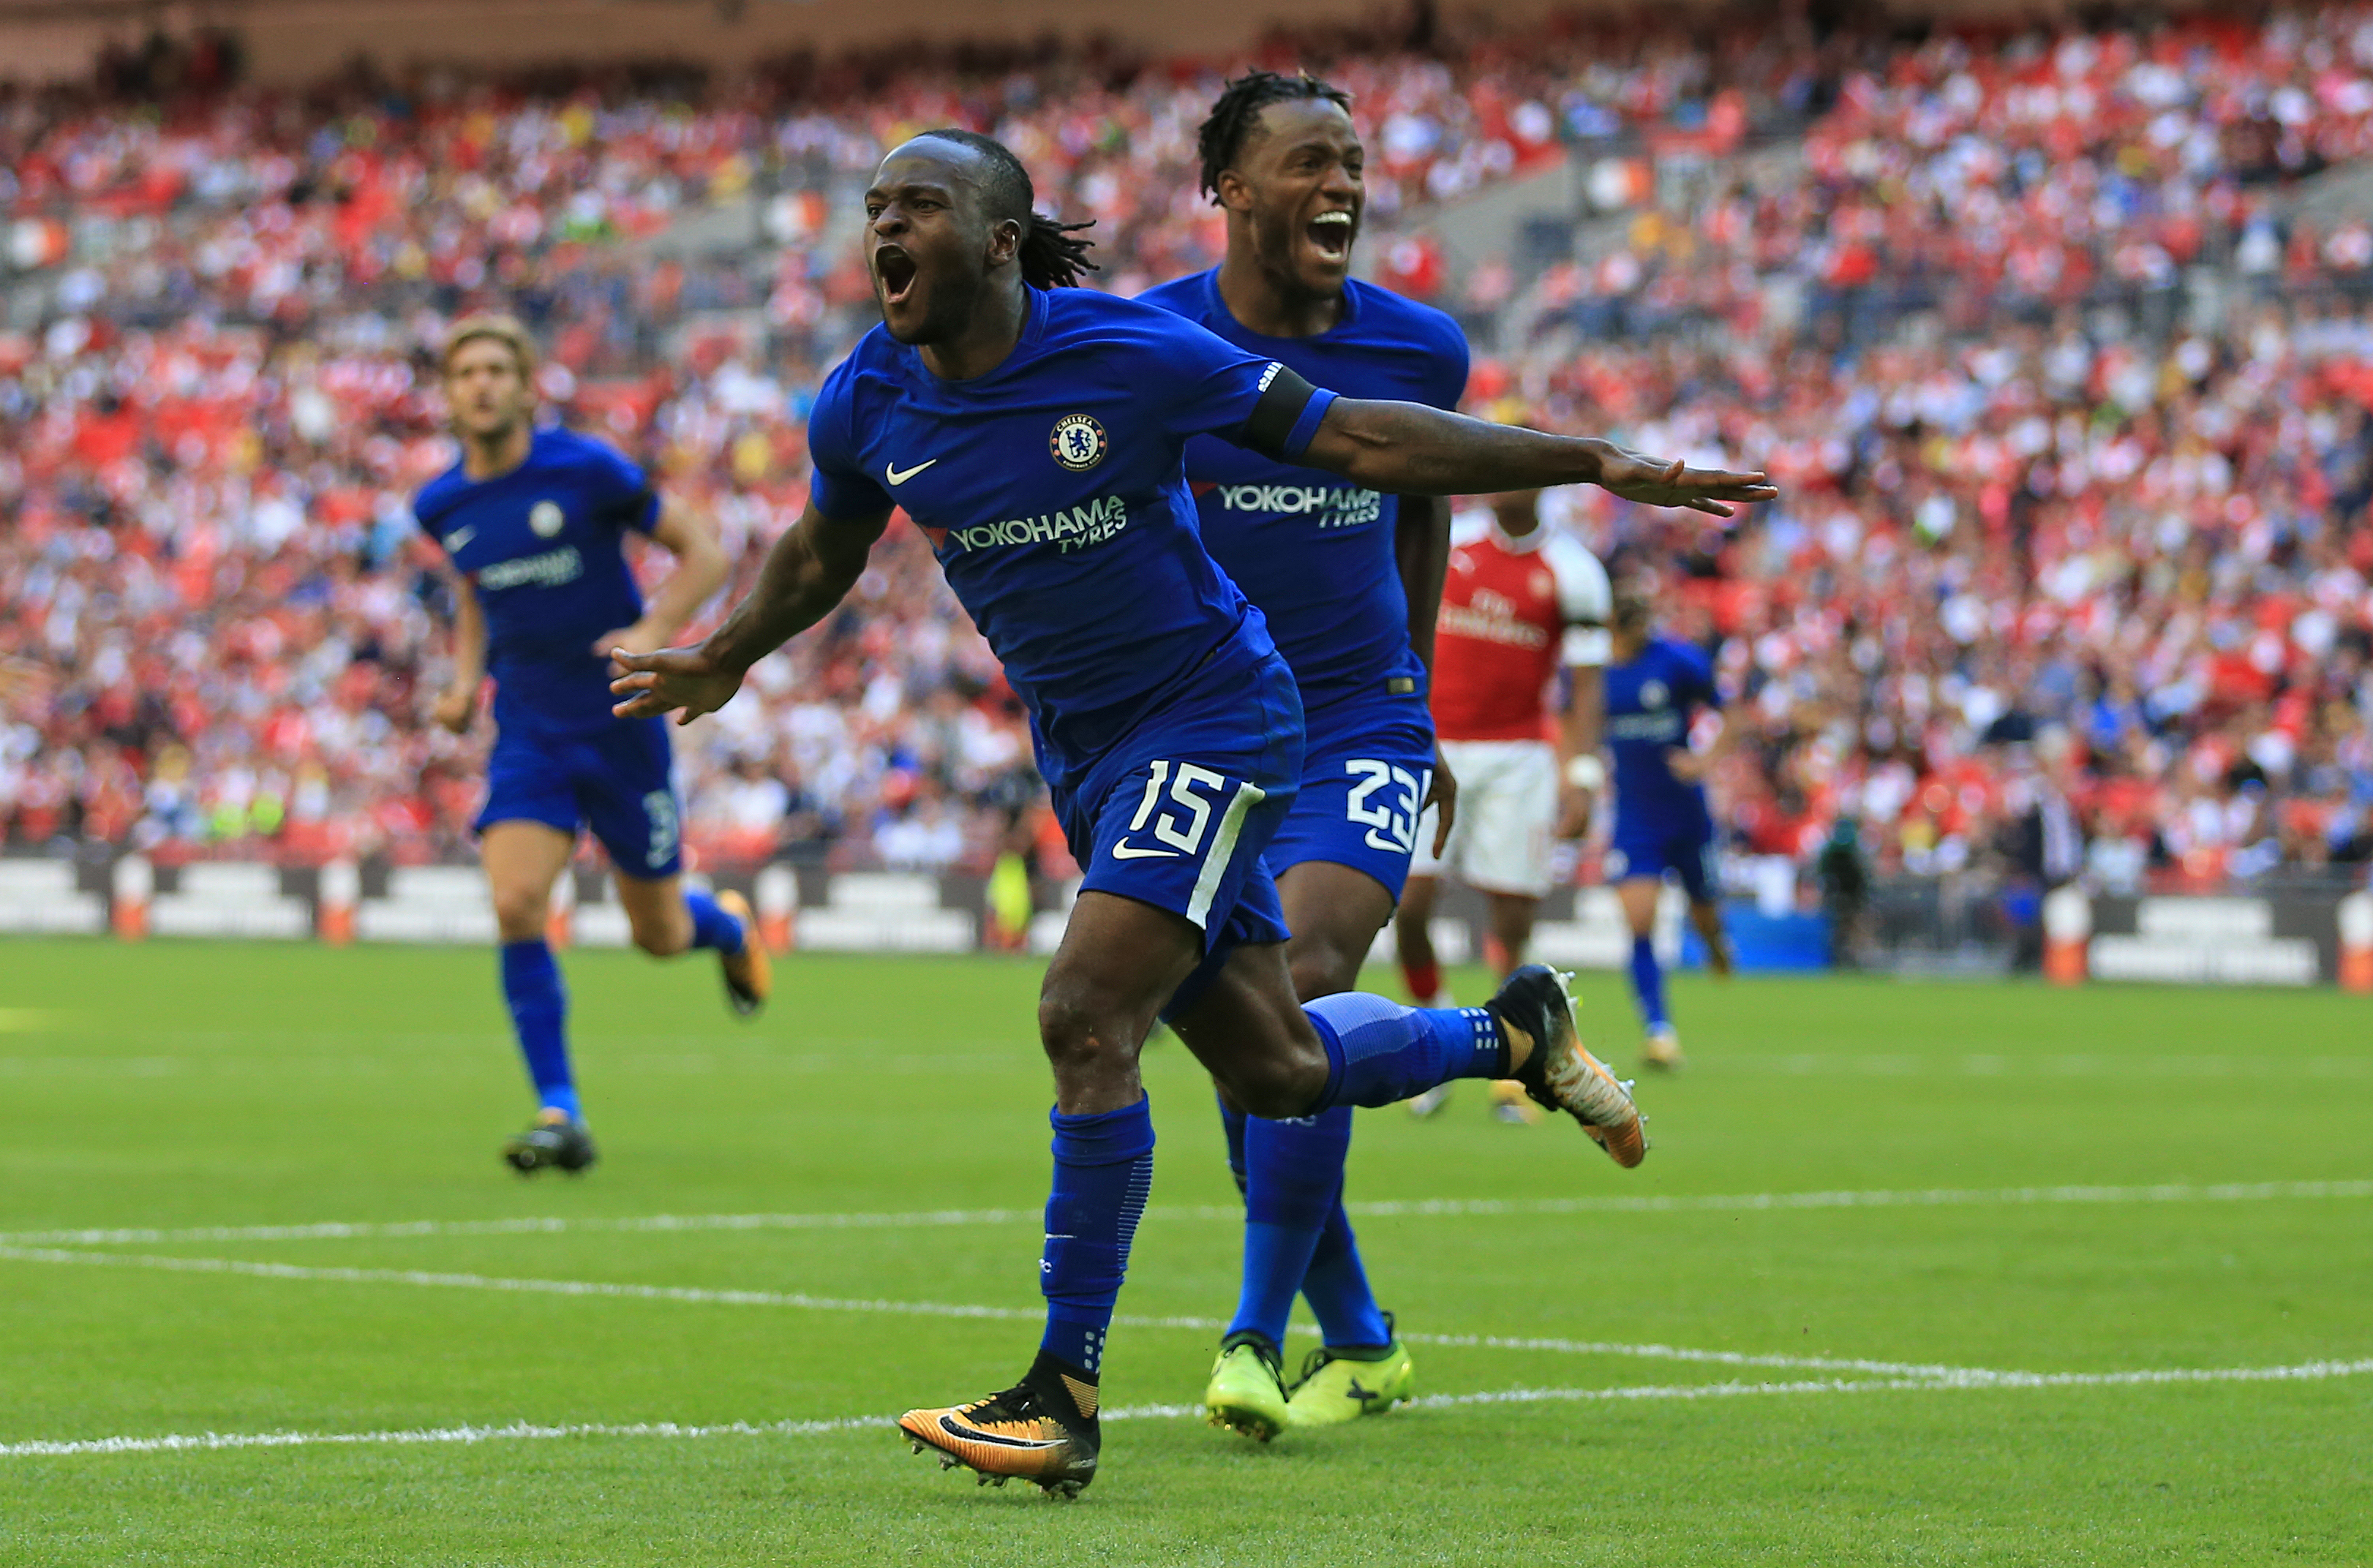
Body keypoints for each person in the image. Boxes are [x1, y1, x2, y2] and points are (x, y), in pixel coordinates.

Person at [610, 129, 1771, 1498]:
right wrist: (734, 650)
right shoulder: (865, 394)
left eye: (914, 206)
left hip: (1215, 716)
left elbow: (1354, 434)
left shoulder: (1125, 355)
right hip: (1091, 758)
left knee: (1082, 1011)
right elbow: (823, 543)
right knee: (1274, 1067)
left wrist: (1584, 459)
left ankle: (1061, 1393)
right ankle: (1511, 1031)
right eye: (871, 209)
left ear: (996, 237)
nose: (881, 231)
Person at [1137, 69, 1466, 1439]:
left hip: (1354, 721)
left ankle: (1250, 1338)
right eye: (1305, 162)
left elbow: (1423, 514)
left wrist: (1422, 698)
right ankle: (1366, 1335)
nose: (1338, 184)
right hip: (1207, 731)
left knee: (1306, 980)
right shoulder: (1143, 344)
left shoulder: (1418, 352)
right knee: (1236, 1032)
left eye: (1351, 161)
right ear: (1225, 186)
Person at [416, 314, 770, 1177]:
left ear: (528, 385)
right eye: (468, 371)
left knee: (655, 933)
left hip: (621, 724)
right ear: (449, 394)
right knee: (514, 904)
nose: (485, 383)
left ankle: (722, 926)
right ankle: (559, 1108)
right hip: (529, 731)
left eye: (500, 367)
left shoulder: (586, 469)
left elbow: (704, 552)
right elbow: (474, 590)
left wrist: (651, 628)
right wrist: (465, 682)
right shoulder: (442, 503)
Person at [1397, 480, 1612, 1117]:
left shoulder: (1573, 570)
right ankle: (1434, 1039)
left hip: (1520, 757)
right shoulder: (1449, 542)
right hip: (1435, 746)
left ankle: (1509, 1056)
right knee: (1408, 903)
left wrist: (1582, 777)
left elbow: (1587, 686)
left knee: (1512, 917)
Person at [1601, 582, 1736, 1071]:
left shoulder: (1679, 662)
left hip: (1685, 813)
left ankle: (1718, 946)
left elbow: (1731, 713)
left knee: (1705, 913)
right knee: (1639, 921)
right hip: (1635, 816)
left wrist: (1705, 761)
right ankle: (1660, 1030)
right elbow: (1572, 724)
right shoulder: (1593, 672)